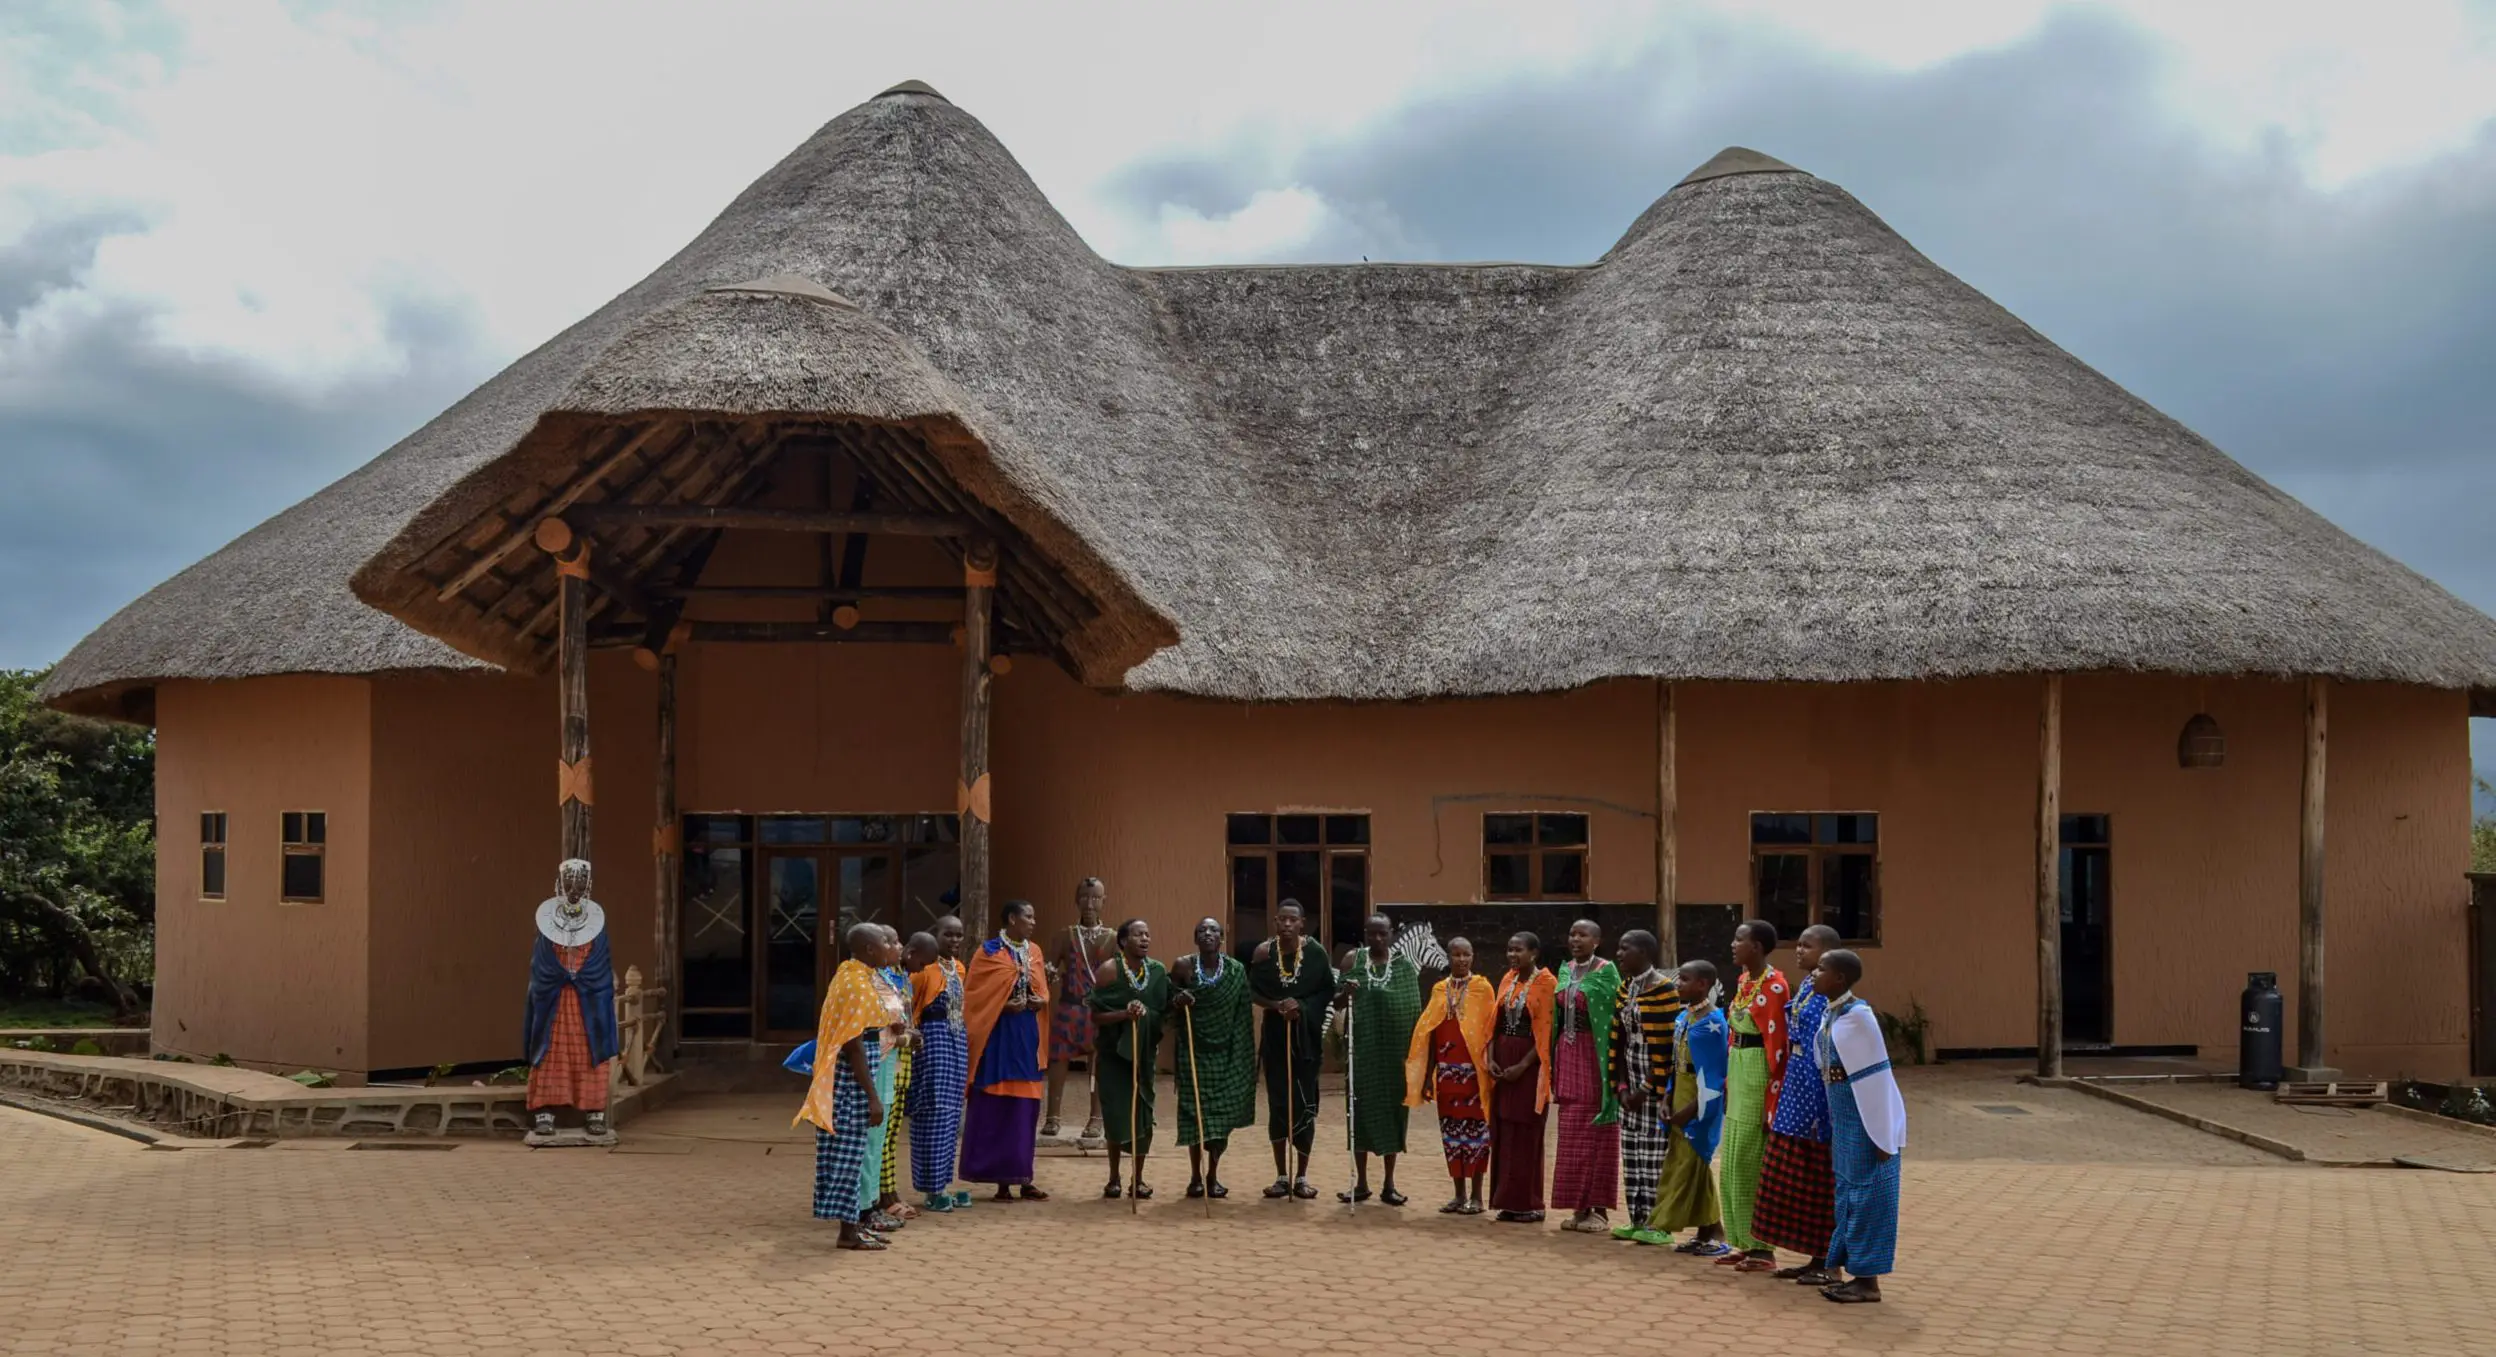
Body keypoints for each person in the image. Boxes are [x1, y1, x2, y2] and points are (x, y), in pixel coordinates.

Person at [795, 922, 896, 1251]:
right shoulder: (854, 984)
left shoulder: (859, 976)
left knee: (852, 1154)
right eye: (884, 941)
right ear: (869, 949)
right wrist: (873, 1098)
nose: (889, 946)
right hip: (852, 1080)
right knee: (848, 1155)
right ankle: (847, 1233)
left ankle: (854, 1226)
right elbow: (854, 1045)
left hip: (858, 1072)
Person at [1811, 948, 1904, 1304]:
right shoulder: (1832, 1012)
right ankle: (1853, 1273)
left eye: (1821, 969)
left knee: (1869, 1195)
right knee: (1848, 1194)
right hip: (1845, 1112)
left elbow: (1876, 1079)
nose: (1814, 974)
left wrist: (1883, 1134)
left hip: (1867, 1118)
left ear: (1840, 979)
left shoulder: (1858, 1016)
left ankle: (1868, 1281)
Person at [1753, 923, 1842, 1283]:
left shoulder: (1830, 998)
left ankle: (1827, 1260)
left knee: (1818, 1175)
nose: (1800, 950)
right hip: (1794, 1083)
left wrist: (1823, 1109)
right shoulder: (1807, 985)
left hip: (1815, 1088)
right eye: (1799, 943)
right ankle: (1811, 1256)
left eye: (1808, 946)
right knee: (1790, 1173)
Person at [960, 899, 1052, 1201]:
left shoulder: (1034, 951)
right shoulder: (988, 953)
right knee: (999, 1108)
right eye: (1028, 916)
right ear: (1012, 919)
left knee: (1025, 1111)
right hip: (998, 1038)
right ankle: (1002, 1183)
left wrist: (1041, 1000)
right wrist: (1001, 1006)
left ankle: (1024, 1177)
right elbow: (974, 997)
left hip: (1027, 1038)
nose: (1033, 921)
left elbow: (1041, 989)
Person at [1331, 913, 1423, 1205]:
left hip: (1395, 1056)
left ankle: (1389, 1183)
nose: (1378, 939)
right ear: (1365, 934)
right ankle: (1361, 1183)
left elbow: (1413, 1011)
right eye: (1372, 934)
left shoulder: (1404, 967)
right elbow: (1335, 1004)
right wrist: (1346, 993)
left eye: (1383, 934)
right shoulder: (1352, 961)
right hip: (1363, 1052)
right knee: (1358, 1113)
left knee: (1393, 1114)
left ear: (1392, 933)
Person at [1716, 918, 1791, 1270]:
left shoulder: (1775, 986)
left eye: (1739, 939)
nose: (1733, 944)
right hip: (1739, 1068)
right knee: (1731, 1159)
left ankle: (1763, 1248)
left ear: (1757, 947)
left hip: (1760, 1072)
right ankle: (1742, 1240)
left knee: (1750, 1160)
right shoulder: (1745, 981)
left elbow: (1779, 1048)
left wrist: (1772, 1102)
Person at [1249, 900, 1334, 1199]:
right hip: (1275, 1037)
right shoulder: (1264, 953)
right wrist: (1276, 1005)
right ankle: (1281, 1176)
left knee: (1303, 1104)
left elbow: (1327, 990)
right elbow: (1252, 990)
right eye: (1281, 919)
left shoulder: (1315, 954)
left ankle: (1302, 1177)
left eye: (1292, 920)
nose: (1286, 924)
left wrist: (1302, 1006)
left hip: (1305, 1041)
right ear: (1275, 921)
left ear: (1302, 923)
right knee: (1279, 1104)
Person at [1404, 935, 1494, 1214]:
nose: (1462, 959)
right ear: (1448, 957)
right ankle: (1458, 1195)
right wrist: (1429, 1072)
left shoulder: (1483, 988)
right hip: (1446, 1075)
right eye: (1456, 954)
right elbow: (1429, 1033)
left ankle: (1477, 1197)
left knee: (1478, 1136)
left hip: (1474, 1076)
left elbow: (1490, 1031)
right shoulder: (1439, 989)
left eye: (1466, 954)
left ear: (1473, 956)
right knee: (1452, 1136)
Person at [1168, 916, 1255, 1200]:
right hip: (1193, 1051)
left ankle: (1212, 1175)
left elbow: (1243, 1017)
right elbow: (1167, 1002)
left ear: (1221, 939)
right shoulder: (1183, 966)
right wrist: (1179, 1000)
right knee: (1195, 1116)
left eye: (1213, 931)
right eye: (1202, 931)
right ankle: (1195, 1177)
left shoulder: (1236, 971)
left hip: (1227, 1055)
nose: (1207, 934)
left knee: (1220, 1119)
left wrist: (1242, 1060)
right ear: (1195, 938)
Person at [1608, 929, 1684, 1244]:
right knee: (1633, 1153)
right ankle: (1636, 1219)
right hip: (1631, 1088)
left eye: (1626, 949)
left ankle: (1658, 1224)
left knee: (1654, 1156)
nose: (1619, 954)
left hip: (1655, 1091)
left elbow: (1668, 1046)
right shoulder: (1625, 989)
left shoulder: (1665, 990)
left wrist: (1647, 1088)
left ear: (1644, 953)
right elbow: (1619, 1040)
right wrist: (1623, 1086)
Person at [1548, 919, 1623, 1233]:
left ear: (1597, 940)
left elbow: (1613, 1017)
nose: (1575, 939)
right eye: (1572, 933)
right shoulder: (1565, 970)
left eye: (1583, 934)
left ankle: (1600, 1211)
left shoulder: (1607, 972)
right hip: (1568, 1056)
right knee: (1571, 1134)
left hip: (1595, 1059)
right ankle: (1579, 1208)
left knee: (1598, 1132)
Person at [1089, 918, 1168, 1199]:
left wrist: (1147, 1014)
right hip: (1114, 1056)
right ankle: (1113, 1178)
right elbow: (1095, 1014)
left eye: (1147, 934)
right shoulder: (1109, 972)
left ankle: (1139, 1178)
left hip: (1143, 1057)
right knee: (1115, 1115)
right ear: (1123, 942)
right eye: (1138, 935)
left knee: (1142, 1116)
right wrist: (1124, 1013)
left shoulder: (1157, 972)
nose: (1145, 939)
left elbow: (1164, 1010)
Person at [1484, 931, 1554, 1223]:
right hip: (1503, 1060)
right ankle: (1506, 1201)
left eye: (1519, 951)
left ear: (1534, 953)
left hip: (1529, 1065)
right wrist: (1490, 1059)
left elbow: (1547, 1031)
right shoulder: (1506, 979)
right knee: (1504, 1128)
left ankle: (1529, 1203)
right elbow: (1494, 1023)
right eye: (1510, 950)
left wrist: (1523, 1066)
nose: (1513, 956)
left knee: (1526, 1130)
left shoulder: (1547, 983)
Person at [1661, 958, 1728, 1255]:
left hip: (1700, 1103)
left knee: (1696, 1161)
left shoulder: (1711, 1024)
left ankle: (1716, 1231)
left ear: (1703, 984)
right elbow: (1675, 1067)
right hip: (1680, 1096)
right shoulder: (1684, 1018)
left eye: (1684, 980)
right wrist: (1666, 1099)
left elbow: (1713, 1077)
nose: (1678, 984)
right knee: (1688, 1162)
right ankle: (1706, 1231)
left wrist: (1690, 1110)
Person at [908, 916, 973, 1212]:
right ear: (936, 935)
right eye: (949, 934)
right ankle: (931, 1189)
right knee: (933, 1111)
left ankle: (944, 1183)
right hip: (932, 1042)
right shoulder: (924, 971)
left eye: (959, 935)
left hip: (957, 1040)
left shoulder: (959, 968)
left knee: (951, 1113)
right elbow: (907, 1009)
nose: (955, 940)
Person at [1047, 878, 1113, 1143]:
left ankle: (1096, 1118)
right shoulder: (1065, 936)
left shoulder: (1112, 937)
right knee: (1058, 1059)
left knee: (1098, 1062)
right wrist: (1049, 974)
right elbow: (1050, 966)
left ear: (1103, 901)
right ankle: (1053, 1115)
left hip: (1096, 1010)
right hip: (1069, 1006)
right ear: (1076, 901)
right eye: (1084, 898)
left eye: (1095, 898)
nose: (1089, 904)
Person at [866, 927, 921, 1229]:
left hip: (901, 1066)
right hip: (884, 1063)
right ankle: (880, 1198)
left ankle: (885, 1192)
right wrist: (906, 1039)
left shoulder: (898, 978)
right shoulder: (871, 982)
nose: (899, 947)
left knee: (891, 1135)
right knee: (880, 1137)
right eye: (893, 941)